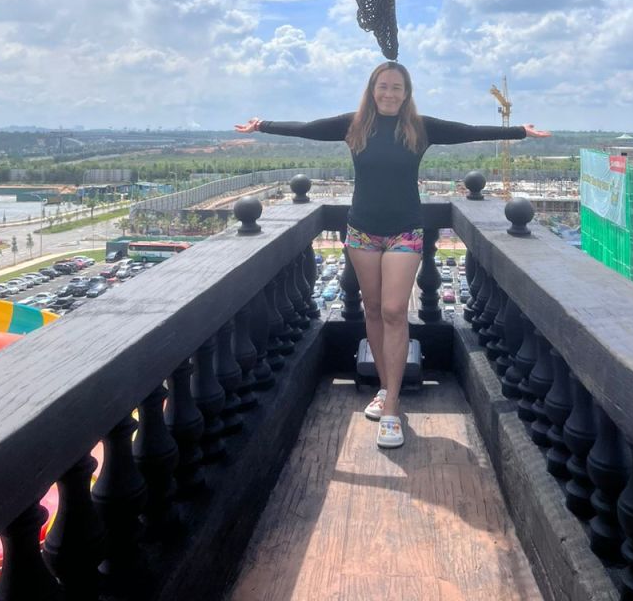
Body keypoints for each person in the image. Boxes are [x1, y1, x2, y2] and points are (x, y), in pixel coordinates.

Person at [235, 61, 550, 449]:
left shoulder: (419, 127)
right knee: (372, 311)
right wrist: (262, 125)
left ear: (406, 93)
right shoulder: (354, 125)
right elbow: (307, 128)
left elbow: (468, 131)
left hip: (405, 232)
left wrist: (519, 131)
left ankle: (391, 409)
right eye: (383, 86)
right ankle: (385, 389)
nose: (389, 93)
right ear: (372, 90)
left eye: (396, 87)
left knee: (394, 310)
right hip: (361, 233)